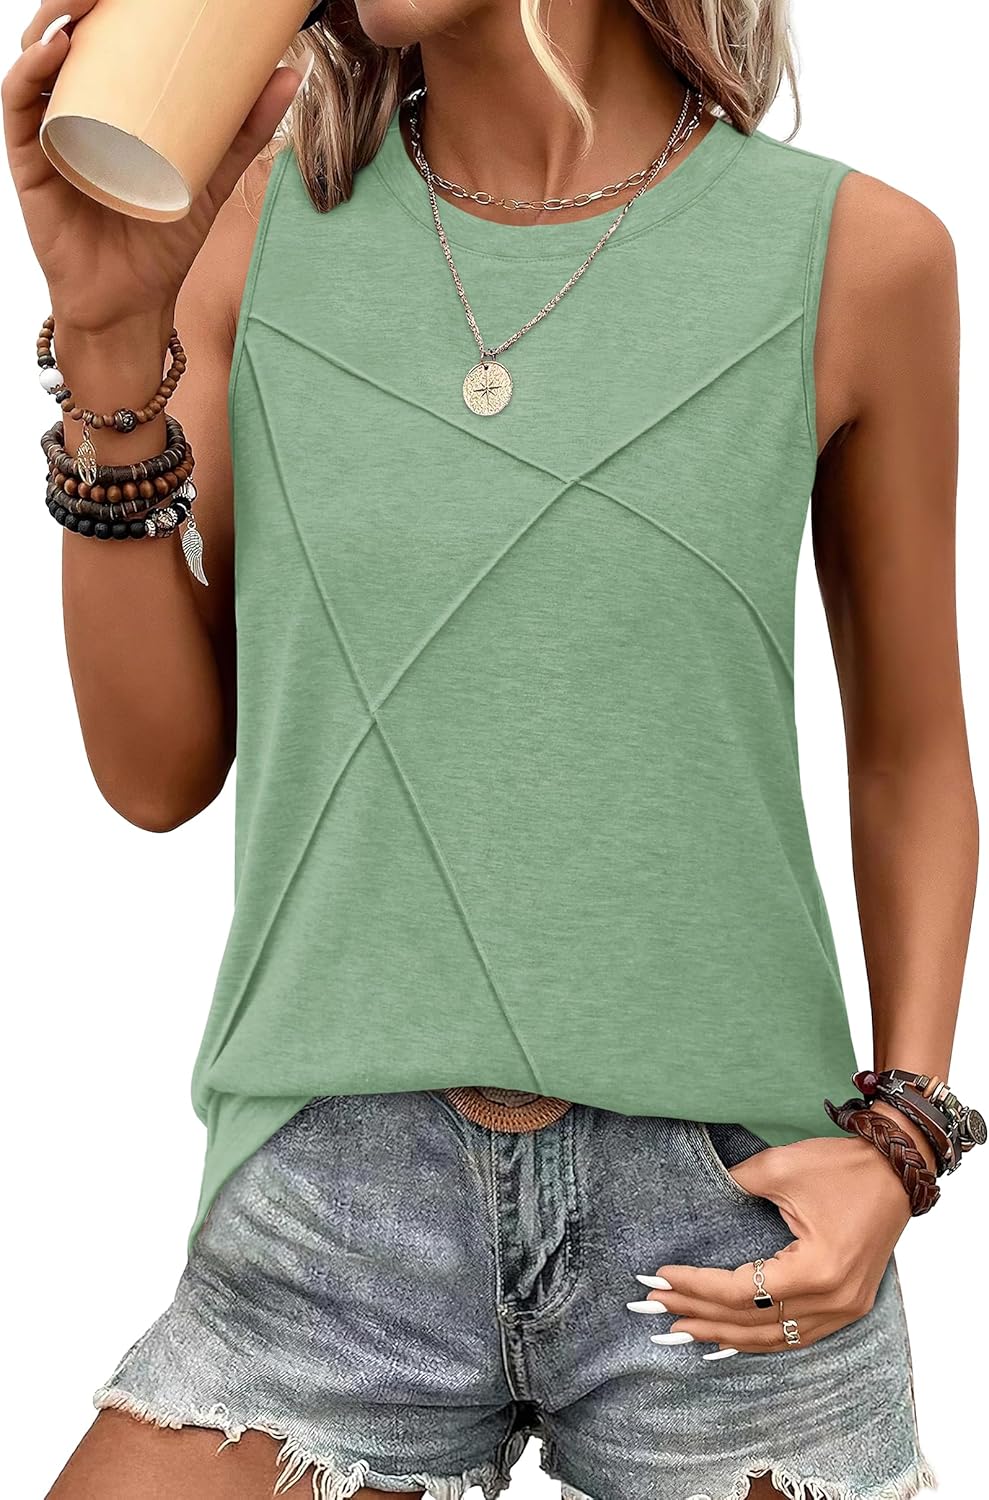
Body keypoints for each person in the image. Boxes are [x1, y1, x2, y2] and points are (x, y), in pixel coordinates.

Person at [5, 2, 979, 1498]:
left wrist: (902, 1143)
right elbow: (154, 774)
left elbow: (908, 751)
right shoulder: (246, 235)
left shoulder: (857, 256)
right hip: (336, 1205)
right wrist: (107, 343)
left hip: (730, 1215)